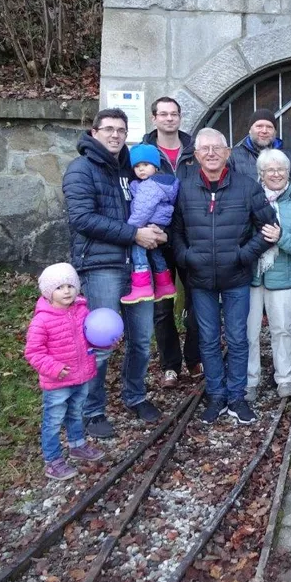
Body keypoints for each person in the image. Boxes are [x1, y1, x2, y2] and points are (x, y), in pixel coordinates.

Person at [63, 107, 165, 438]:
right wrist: (134, 234)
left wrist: (156, 230)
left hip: (137, 268)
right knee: (101, 343)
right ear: (94, 132)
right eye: (108, 129)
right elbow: (83, 219)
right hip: (101, 266)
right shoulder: (81, 170)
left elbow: (146, 209)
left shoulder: (129, 171)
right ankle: (92, 411)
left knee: (141, 340)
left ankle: (135, 396)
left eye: (121, 130)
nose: (115, 135)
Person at [171, 128, 277, 425]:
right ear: (196, 154)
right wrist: (186, 257)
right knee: (207, 340)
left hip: (236, 277)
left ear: (227, 152)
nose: (211, 153)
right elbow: (174, 231)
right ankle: (216, 395)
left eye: (216, 148)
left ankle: (237, 397)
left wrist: (243, 255)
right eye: (204, 149)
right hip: (200, 279)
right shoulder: (185, 187)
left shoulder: (246, 186)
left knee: (238, 338)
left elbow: (269, 228)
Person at [25, 263, 104, 480]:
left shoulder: (82, 310)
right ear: (49, 293)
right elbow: (33, 352)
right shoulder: (42, 320)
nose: (67, 291)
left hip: (81, 376)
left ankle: (77, 445)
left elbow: (91, 337)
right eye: (60, 287)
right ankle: (53, 460)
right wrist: (55, 368)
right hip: (57, 381)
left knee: (76, 412)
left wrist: (105, 342)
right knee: (53, 419)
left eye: (70, 285)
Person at [247, 149, 291, 401]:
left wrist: (281, 237)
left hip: (284, 277)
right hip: (252, 276)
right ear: (261, 174)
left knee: (282, 329)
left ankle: (284, 378)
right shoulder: (250, 198)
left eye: (281, 169)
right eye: (269, 170)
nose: (275, 174)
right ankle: (250, 379)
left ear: (288, 172)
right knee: (248, 331)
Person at [141, 96, 200, 389]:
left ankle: (194, 358)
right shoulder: (142, 153)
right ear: (154, 118)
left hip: (190, 237)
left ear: (179, 117)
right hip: (157, 243)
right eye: (162, 114)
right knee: (162, 306)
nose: (168, 119)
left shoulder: (194, 150)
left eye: (173, 114)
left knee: (197, 300)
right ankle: (170, 365)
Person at [120, 144, 180, 304]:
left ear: (156, 166)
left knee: (138, 250)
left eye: (145, 165)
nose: (141, 169)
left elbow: (142, 209)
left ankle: (142, 286)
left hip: (147, 224)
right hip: (159, 225)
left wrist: (132, 230)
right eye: (137, 166)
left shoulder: (151, 185)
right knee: (155, 253)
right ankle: (164, 285)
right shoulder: (158, 183)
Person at [229, 109, 291, 190]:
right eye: (259, 126)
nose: (264, 131)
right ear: (250, 130)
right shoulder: (232, 156)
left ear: (275, 132)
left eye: (269, 127)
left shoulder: (289, 157)